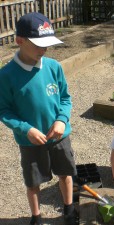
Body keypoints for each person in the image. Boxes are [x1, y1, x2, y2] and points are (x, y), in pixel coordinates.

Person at [0, 12, 77, 225]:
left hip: (59, 136)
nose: (44, 50)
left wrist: (62, 120)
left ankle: (69, 210)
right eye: (38, 45)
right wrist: (26, 129)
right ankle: (36, 217)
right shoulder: (5, 76)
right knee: (33, 182)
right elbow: (3, 110)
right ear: (19, 41)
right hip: (30, 141)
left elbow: (65, 98)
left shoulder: (54, 67)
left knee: (65, 173)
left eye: (47, 45)